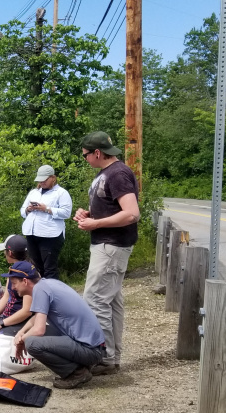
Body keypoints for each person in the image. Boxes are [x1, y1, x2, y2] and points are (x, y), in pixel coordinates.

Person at [74, 131, 140, 376]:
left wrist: (96, 225)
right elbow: (111, 208)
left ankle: (104, 357)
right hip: (106, 244)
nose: (85, 159)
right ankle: (111, 356)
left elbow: (132, 213)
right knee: (110, 301)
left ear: (97, 153)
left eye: (85, 155)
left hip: (111, 246)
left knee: (94, 300)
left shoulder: (118, 173)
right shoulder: (105, 175)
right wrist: (89, 214)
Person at [6, 261, 106, 389]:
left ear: (25, 281)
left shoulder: (40, 290)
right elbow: (38, 317)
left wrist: (21, 341)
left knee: (32, 343)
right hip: (95, 347)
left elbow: (38, 330)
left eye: (14, 283)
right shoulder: (46, 284)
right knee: (35, 335)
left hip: (91, 351)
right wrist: (22, 331)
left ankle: (77, 373)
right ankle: (80, 366)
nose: (13, 288)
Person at [20, 164, 73, 280]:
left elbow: (66, 213)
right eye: (40, 180)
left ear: (53, 178)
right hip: (32, 233)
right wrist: (28, 209)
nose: (42, 182)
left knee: (49, 268)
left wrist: (47, 209)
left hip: (50, 235)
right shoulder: (34, 192)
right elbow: (22, 211)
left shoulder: (61, 193)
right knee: (34, 267)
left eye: (45, 179)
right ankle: (38, 293)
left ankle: (52, 295)